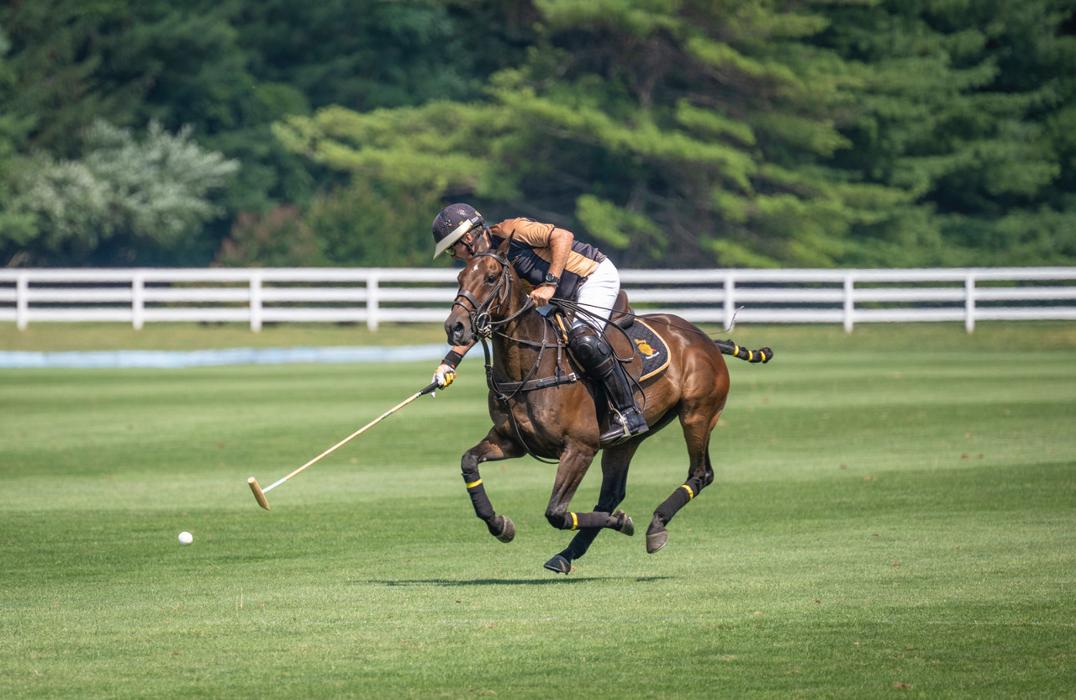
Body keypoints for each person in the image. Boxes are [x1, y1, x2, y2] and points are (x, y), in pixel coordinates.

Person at [430, 202, 648, 444]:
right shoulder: (487, 266)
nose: (454, 256)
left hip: (592, 278)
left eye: (452, 249)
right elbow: (482, 317)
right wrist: (449, 363)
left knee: (583, 340)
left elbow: (563, 237)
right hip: (563, 298)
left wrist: (550, 283)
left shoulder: (513, 229)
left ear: (468, 237)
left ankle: (629, 413)